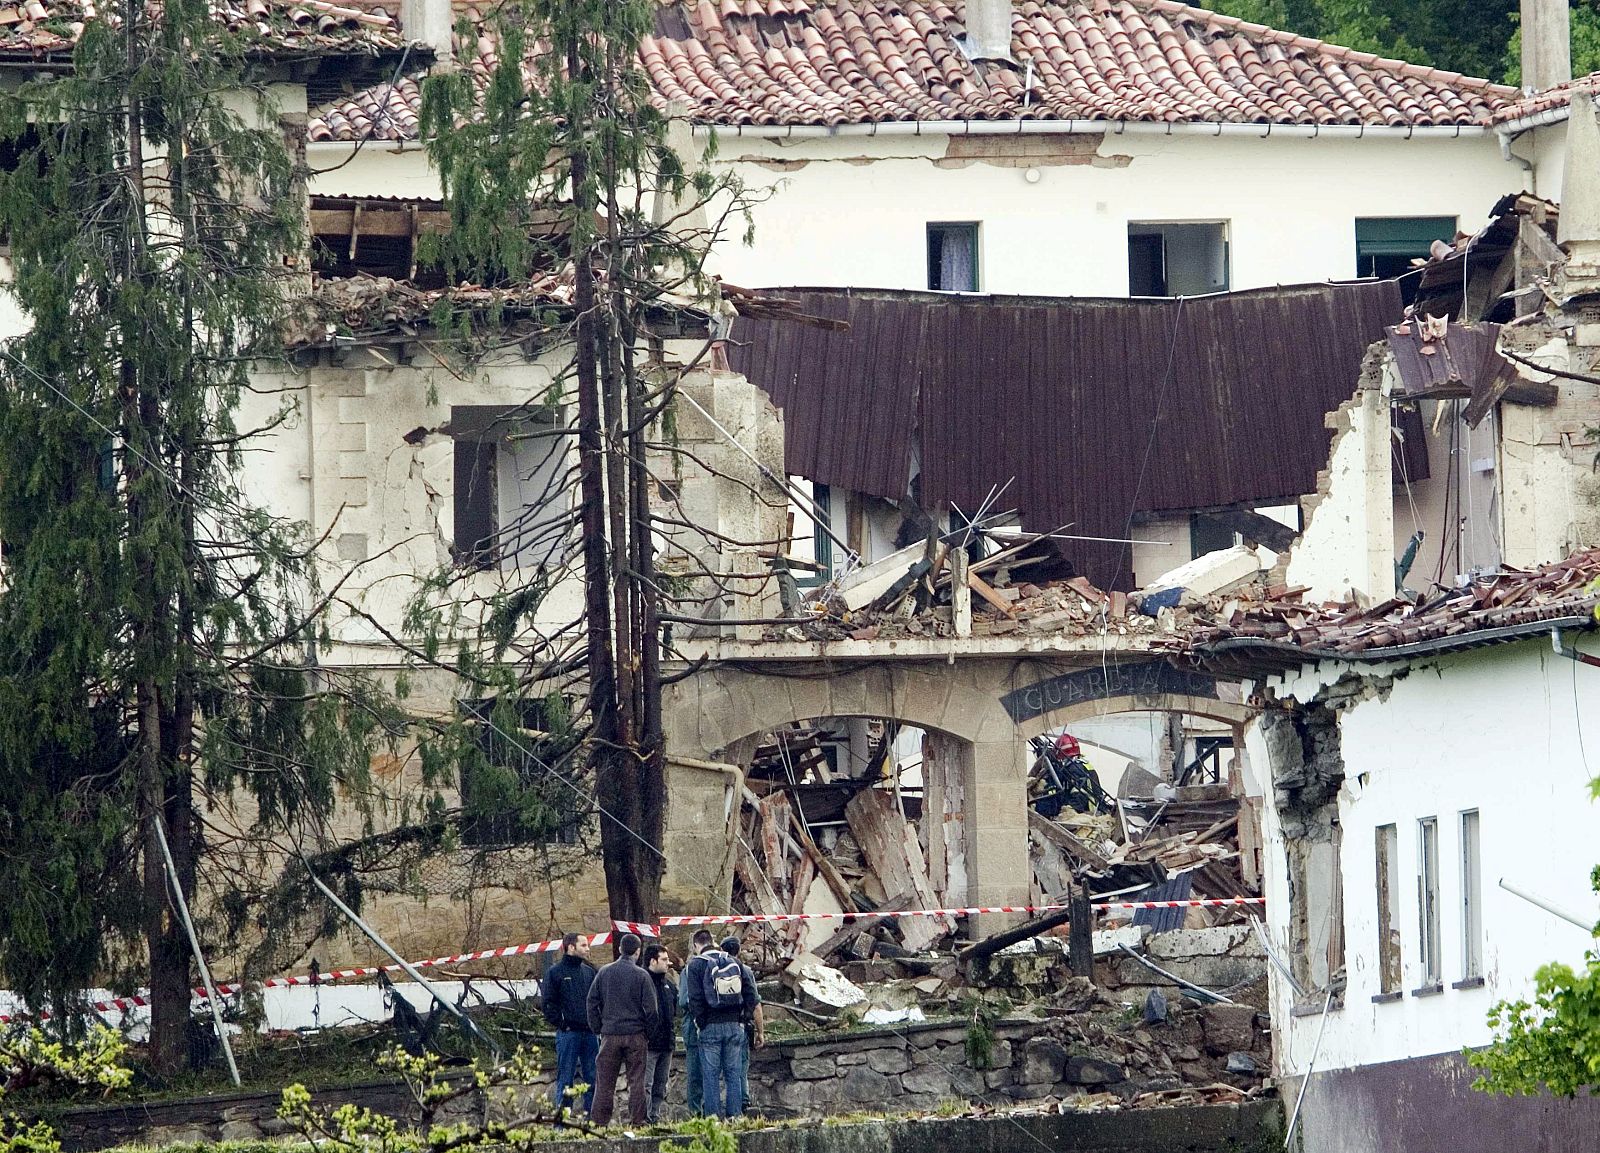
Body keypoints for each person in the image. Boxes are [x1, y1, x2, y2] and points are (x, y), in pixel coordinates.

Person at [585, 932, 659, 1126]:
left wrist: (598, 1028)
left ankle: (599, 1124)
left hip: (610, 1034)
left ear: (619, 949)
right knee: (637, 1082)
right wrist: (647, 1034)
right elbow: (652, 1010)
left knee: (604, 1083)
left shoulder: (604, 972)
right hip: (635, 1035)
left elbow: (591, 1001)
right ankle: (638, 1121)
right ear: (638, 951)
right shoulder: (642, 975)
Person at [686, 932, 759, 1118]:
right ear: (713, 942)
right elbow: (752, 996)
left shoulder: (695, 965)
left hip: (710, 1026)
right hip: (735, 1025)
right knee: (733, 1074)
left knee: (710, 1076)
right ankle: (735, 1117)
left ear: (697, 945)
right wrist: (743, 1018)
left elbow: (694, 999)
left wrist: (701, 1022)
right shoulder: (734, 962)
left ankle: (714, 1119)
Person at [540, 933, 598, 1116]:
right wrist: (562, 1023)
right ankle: (562, 1122)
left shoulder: (589, 972)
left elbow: (596, 1001)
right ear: (571, 947)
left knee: (593, 1078)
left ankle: (592, 1120)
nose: (588, 949)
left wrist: (596, 1023)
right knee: (565, 1079)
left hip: (589, 1034)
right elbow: (548, 1004)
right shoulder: (554, 972)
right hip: (568, 1034)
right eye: (583, 945)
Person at [720, 937, 765, 1109]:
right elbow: (755, 1003)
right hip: (740, 1025)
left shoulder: (714, 968)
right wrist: (760, 1032)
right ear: (738, 951)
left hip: (718, 1025)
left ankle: (727, 1107)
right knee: (741, 1067)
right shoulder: (744, 970)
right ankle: (742, 1104)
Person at [678, 929, 715, 1113]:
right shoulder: (717, 963)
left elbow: (683, 1000)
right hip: (699, 1025)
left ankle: (703, 1113)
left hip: (700, 1025)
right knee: (698, 1073)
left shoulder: (692, 967)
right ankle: (697, 1113)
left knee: (702, 1073)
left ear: (695, 946)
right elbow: (685, 1000)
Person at [641, 944, 678, 1123]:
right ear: (652, 961)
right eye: (664, 959)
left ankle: (654, 1116)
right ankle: (644, 1118)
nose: (668, 963)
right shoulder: (641, 982)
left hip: (666, 1043)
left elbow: (675, 1008)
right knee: (645, 1084)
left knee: (660, 1085)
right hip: (648, 1044)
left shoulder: (668, 985)